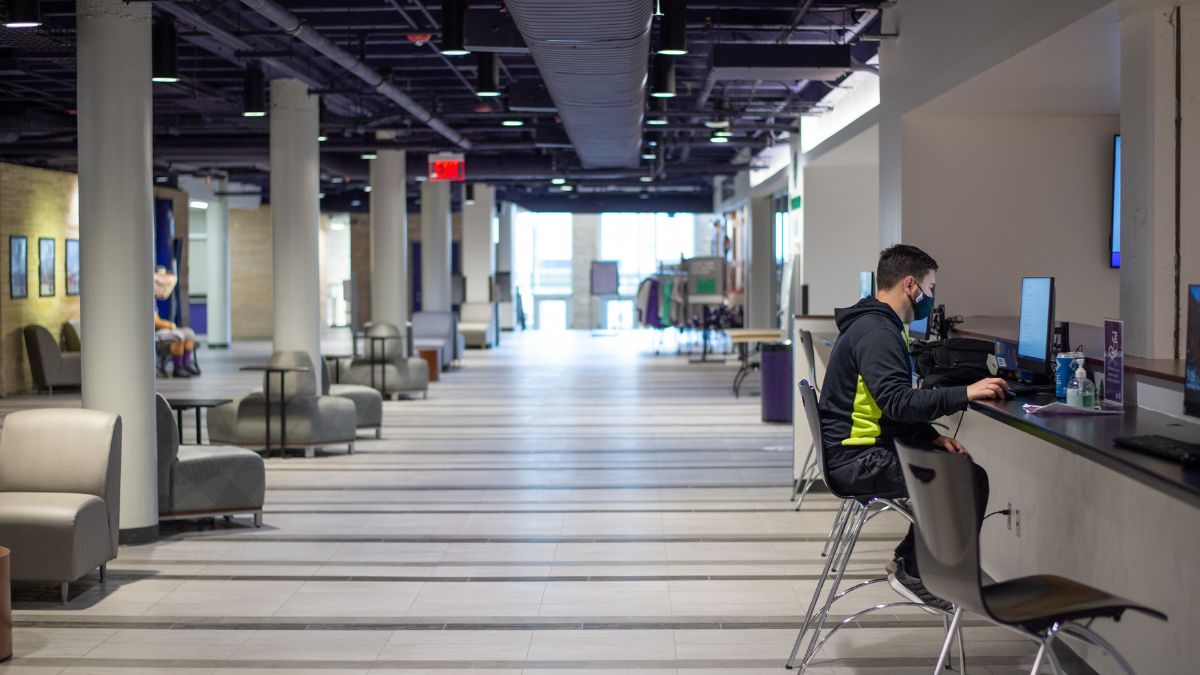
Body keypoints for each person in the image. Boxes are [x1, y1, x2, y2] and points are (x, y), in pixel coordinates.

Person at [817, 244, 1008, 609]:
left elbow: (886, 410)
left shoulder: (871, 324)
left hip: (852, 453)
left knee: (956, 468)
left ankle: (910, 562)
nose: (931, 298)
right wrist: (966, 393)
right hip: (856, 461)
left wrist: (930, 437)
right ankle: (917, 572)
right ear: (910, 286)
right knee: (967, 479)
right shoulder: (878, 333)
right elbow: (898, 402)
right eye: (930, 288)